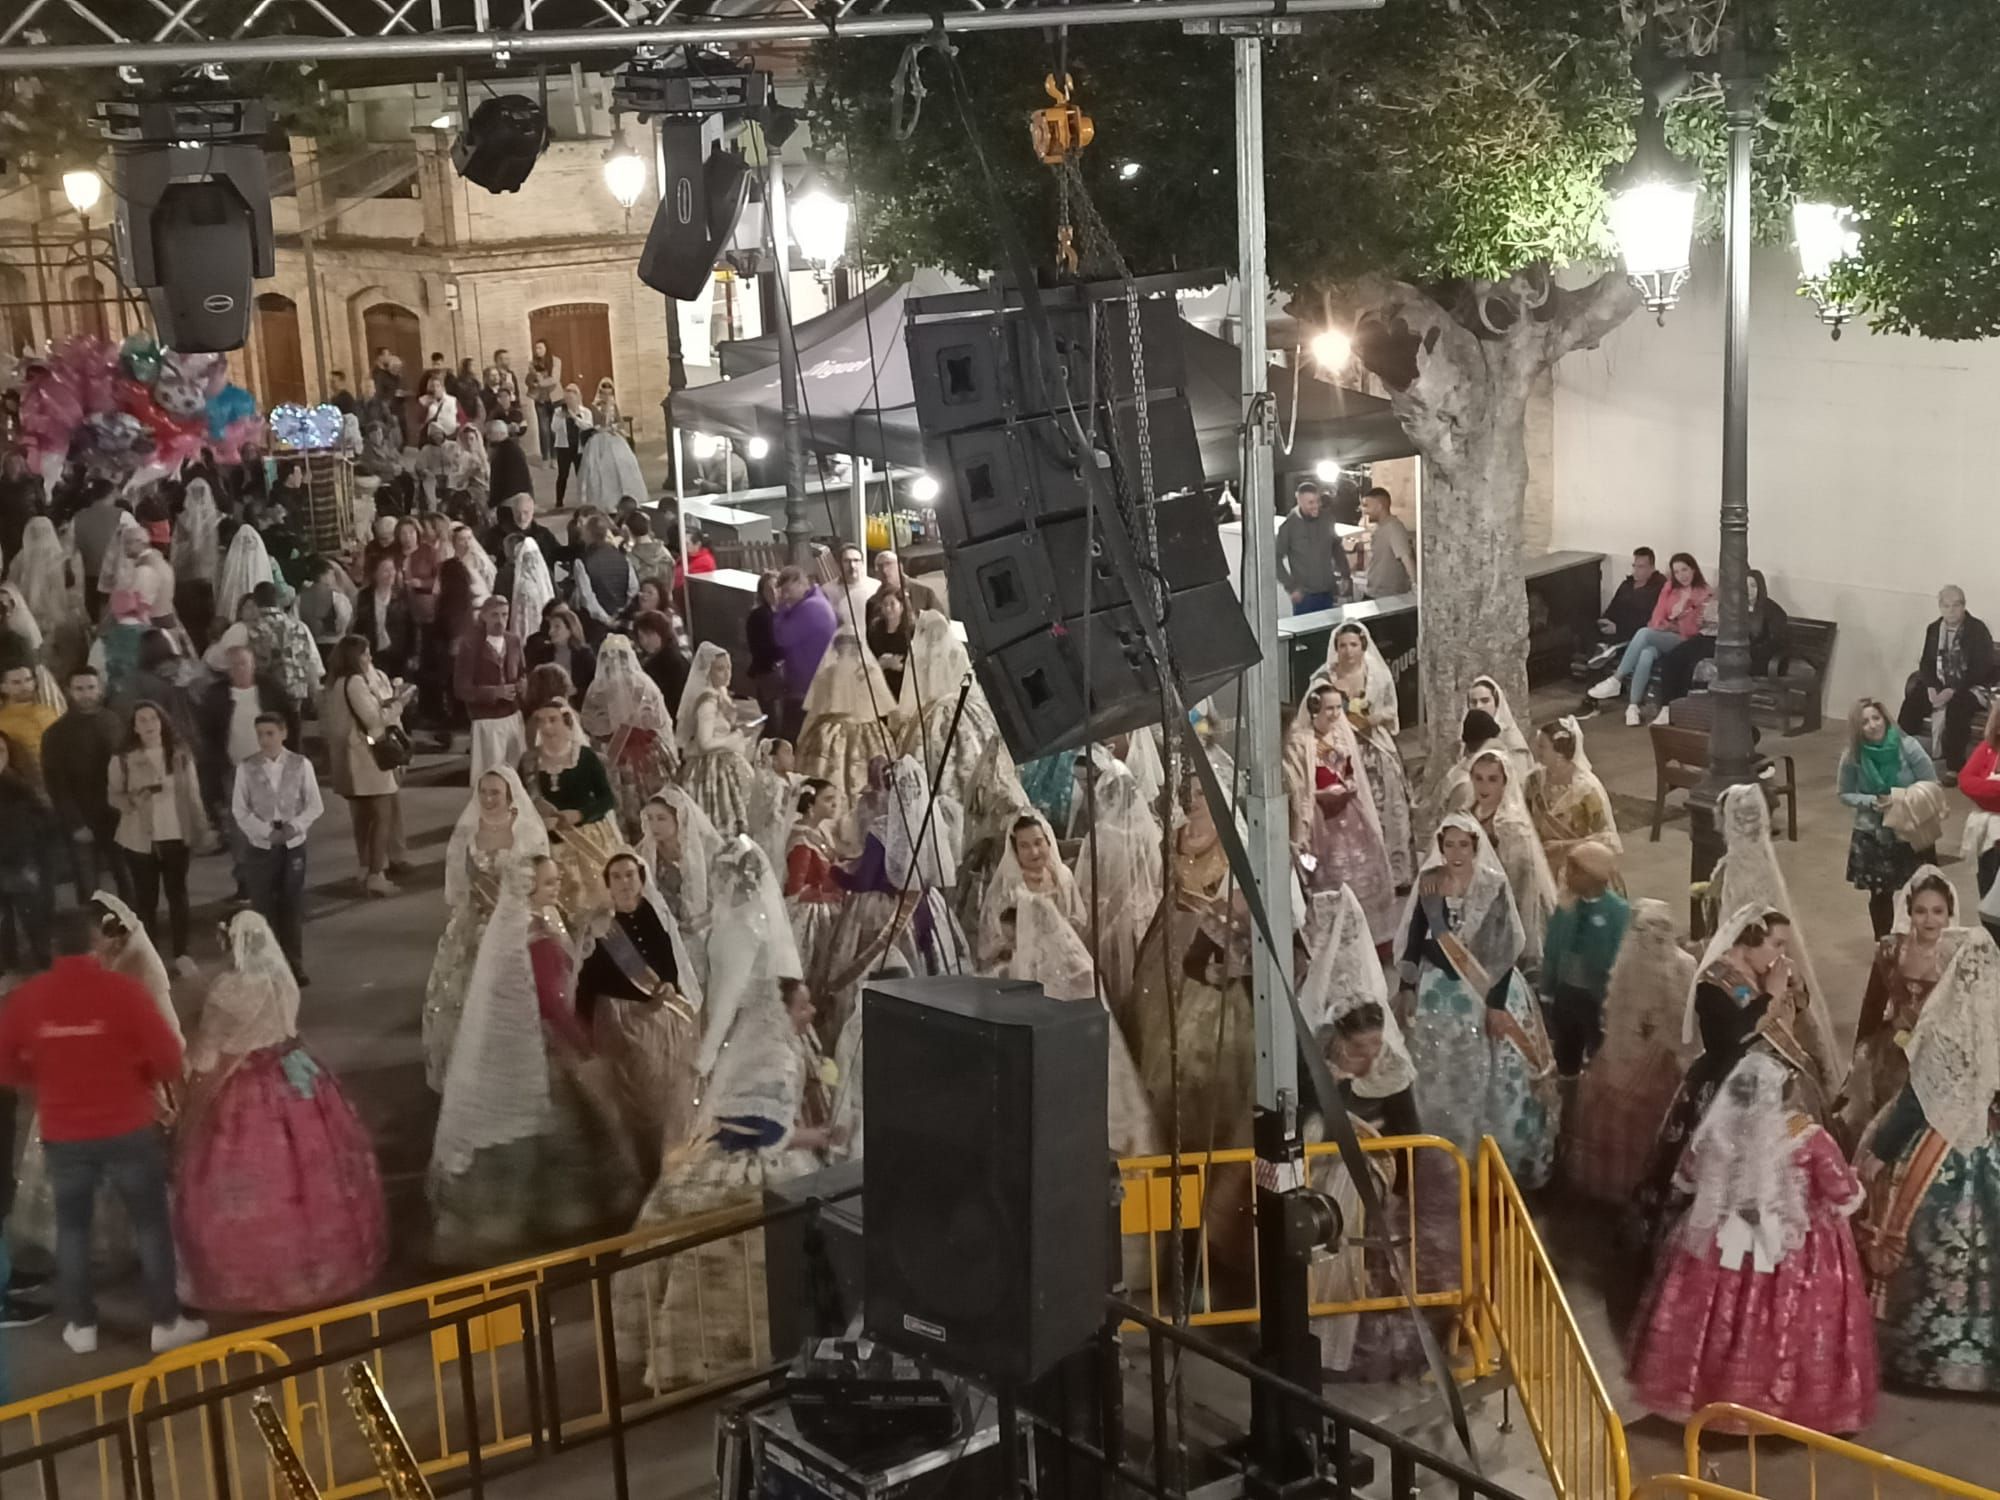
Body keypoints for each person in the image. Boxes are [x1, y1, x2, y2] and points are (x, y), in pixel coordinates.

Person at [613, 845, 826, 1394]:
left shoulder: (740, 941)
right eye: (807, 1007)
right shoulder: (775, 1043)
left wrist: (705, 1065)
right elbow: (766, 1128)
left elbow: (727, 1004)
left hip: (733, 1103)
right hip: (753, 1115)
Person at [1627, 1052, 1876, 1434]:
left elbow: (1689, 1180)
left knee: (1719, 1323)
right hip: (1793, 1251)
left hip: (1720, 1244)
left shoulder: (1717, 1132)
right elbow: (1843, 1194)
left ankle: (1710, 1399)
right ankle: (1779, 1407)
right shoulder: (1808, 1137)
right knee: (1788, 1326)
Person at [0, 910, 206, 1356]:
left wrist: (43, 1079)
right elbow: (169, 1056)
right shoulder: (123, 992)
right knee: (150, 1225)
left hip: (63, 1130)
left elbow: (7, 1064)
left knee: (72, 1229)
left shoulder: (27, 1000)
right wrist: (142, 1079)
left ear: (51, 950)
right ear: (96, 946)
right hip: (126, 1125)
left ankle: (81, 1325)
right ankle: (165, 1321)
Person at [171, 910, 385, 1312]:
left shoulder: (230, 989)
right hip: (296, 1071)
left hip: (246, 1086)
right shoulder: (280, 978)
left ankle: (253, 1276)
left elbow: (206, 1053)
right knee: (314, 1172)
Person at [430, 854, 637, 1264]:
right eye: (547, 884)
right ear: (528, 891)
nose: (555, 889)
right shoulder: (536, 938)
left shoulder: (507, 930)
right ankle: (562, 1217)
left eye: (555, 881)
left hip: (504, 1058)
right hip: (544, 1053)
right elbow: (555, 1002)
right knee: (566, 1133)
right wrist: (585, 1046)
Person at [1853, 928, 2000, 1393]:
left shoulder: (1942, 1026)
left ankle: (1930, 1353)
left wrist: (1881, 1151)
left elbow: (1917, 1100)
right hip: (1987, 1145)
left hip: (1940, 1151)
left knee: (1913, 1224)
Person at [1396, 815, 1559, 1187]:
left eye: (1463, 845)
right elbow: (1419, 933)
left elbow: (1503, 949)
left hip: (1487, 991)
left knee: (1493, 1076)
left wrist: (1497, 1006)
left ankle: (1491, 1165)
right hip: (1438, 991)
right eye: (1448, 845)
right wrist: (1407, 987)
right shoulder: (1431, 882)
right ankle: (1443, 1159)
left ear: (1475, 847)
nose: (1455, 853)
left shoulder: (1492, 886)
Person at [1631, 903, 1795, 1255]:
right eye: (1777, 944)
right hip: (1726, 1088)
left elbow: (1797, 1009)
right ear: (1750, 939)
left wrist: (1782, 988)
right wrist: (1772, 995)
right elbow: (1733, 1037)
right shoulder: (1713, 983)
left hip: (1763, 1079)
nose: (1783, 955)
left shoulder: (1762, 971)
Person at [424, 768, 550, 1091]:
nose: (489, 799)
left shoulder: (528, 831)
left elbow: (540, 879)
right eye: (484, 792)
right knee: (463, 992)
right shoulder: (468, 831)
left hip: (515, 922)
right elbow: (457, 882)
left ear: (510, 796)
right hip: (475, 922)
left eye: (496, 792)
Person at [577, 851, 703, 1171]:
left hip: (659, 1014)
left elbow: (668, 959)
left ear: (641, 880)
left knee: (674, 1085)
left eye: (630, 875)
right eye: (616, 877)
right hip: (620, 1019)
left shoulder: (652, 913)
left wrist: (670, 985)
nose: (624, 883)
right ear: (607, 884)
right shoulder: (601, 927)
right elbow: (586, 984)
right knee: (638, 1095)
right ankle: (641, 1159)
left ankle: (672, 1154)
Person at [1565, 898, 1694, 1205]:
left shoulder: (1676, 965)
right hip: (1633, 1055)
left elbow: (1687, 1016)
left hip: (1655, 1058)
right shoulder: (1632, 964)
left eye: (1661, 929)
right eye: (1647, 930)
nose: (1654, 937)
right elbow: (1618, 1012)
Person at [1834, 866, 1961, 1147]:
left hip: (1939, 1050)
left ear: (1949, 914)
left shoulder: (1961, 956)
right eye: (1921, 911)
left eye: (1937, 911)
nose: (1929, 920)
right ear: (1909, 913)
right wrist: (1856, 1062)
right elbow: (1871, 1009)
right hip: (1893, 1048)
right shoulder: (1890, 950)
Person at [1285, 684, 1397, 944]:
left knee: (1363, 871)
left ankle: (1366, 936)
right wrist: (1322, 795)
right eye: (1329, 708)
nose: (1335, 714)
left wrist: (1349, 785)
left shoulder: (1340, 738)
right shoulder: (1303, 743)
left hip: (1349, 814)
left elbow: (1348, 772)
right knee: (1320, 871)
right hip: (1318, 821)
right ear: (1315, 710)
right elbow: (1300, 788)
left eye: (1338, 708)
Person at [109, 702, 210, 976]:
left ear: (163, 721)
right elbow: (114, 795)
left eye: (153, 718)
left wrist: (201, 828)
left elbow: (194, 794)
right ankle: (149, 956)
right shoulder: (122, 759)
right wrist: (134, 799)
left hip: (176, 834)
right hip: (139, 839)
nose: (149, 724)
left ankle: (182, 952)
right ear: (134, 727)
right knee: (146, 899)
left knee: (178, 894)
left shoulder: (179, 754)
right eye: (142, 720)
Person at [1314, 621, 1416, 889]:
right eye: (1342, 645)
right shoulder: (1323, 679)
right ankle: (1357, 878)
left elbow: (1391, 713)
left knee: (1388, 811)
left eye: (1353, 645)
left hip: (1377, 752)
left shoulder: (1378, 676)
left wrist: (1370, 718)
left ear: (1363, 646)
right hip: (1340, 757)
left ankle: (1396, 874)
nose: (1348, 651)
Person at [1838, 696, 1941, 938]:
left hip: (1911, 829)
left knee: (1923, 889)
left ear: (1885, 719)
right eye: (1865, 722)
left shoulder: (1909, 747)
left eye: (1876, 718)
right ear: (1857, 728)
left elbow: (1931, 783)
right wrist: (1871, 802)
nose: (1873, 725)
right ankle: (1884, 942)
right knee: (1880, 893)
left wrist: (1900, 799)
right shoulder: (1852, 756)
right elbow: (1844, 794)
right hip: (1874, 833)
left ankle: (1923, 939)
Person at [1072, 747, 1164, 1017]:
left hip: (1109, 924)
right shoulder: (1150, 831)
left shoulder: (1099, 838)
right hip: (1144, 918)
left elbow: (1085, 889)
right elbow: (1156, 875)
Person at [230, 712, 322, 981]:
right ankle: (267, 965)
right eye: (260, 735)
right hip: (261, 845)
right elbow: (240, 809)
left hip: (293, 842)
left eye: (270, 734)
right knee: (263, 905)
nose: (265, 740)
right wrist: (263, 832)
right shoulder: (246, 768)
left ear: (283, 734)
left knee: (291, 904)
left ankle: (294, 963)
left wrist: (296, 826)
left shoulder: (300, 764)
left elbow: (314, 804)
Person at [521, 700, 626, 925]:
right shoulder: (530, 761)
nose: (547, 727)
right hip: (545, 840)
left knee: (593, 905)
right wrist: (538, 818)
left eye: (553, 720)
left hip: (586, 837)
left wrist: (579, 815)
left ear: (567, 723)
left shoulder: (585, 758)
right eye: (541, 721)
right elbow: (521, 802)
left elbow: (607, 799)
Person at [321, 635, 408, 899]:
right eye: (365, 654)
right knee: (382, 814)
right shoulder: (356, 683)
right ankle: (376, 875)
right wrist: (399, 704)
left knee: (362, 817)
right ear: (354, 657)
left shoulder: (334, 685)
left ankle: (364, 867)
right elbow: (373, 721)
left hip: (346, 757)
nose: (370, 658)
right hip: (365, 758)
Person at [1537, 841, 1629, 1081]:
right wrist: (1546, 990)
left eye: (1574, 871)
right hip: (1566, 995)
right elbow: (1552, 949)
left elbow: (1620, 957)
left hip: (1597, 999)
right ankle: (1567, 1091)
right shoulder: (1566, 907)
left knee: (1599, 1057)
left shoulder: (1618, 912)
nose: (1567, 876)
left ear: (1593, 876)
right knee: (1566, 1053)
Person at [1461, 749, 1558, 974]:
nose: (1484, 786)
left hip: (1502, 907)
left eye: (1492, 780)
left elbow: (1520, 883)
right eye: (1478, 778)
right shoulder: (1468, 813)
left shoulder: (1511, 826)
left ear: (1505, 783)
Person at [1586, 552, 1711, 724]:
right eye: (1677, 572)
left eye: (1685, 570)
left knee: (1643, 633)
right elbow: (1657, 615)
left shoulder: (1703, 593)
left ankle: (1616, 679)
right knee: (1646, 653)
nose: (1681, 575)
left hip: (1685, 640)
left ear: (1694, 570)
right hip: (1663, 635)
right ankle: (1633, 708)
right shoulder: (1669, 589)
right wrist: (1661, 625)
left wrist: (1672, 626)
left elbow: (1695, 629)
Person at [44, 667, 130, 903]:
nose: (86, 694)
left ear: (100, 688)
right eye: (79, 689)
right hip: (83, 817)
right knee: (89, 887)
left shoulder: (114, 722)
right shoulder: (56, 733)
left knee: (128, 878)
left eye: (91, 687)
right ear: (69, 691)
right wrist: (75, 823)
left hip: (118, 815)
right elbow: (56, 783)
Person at [1654, 568, 1789, 718]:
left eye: (1753, 586)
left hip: (1754, 658)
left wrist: (1747, 651)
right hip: (1725, 647)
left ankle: (1685, 710)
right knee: (1674, 659)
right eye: (1745, 586)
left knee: (1695, 665)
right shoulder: (1734, 607)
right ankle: (1668, 707)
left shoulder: (1771, 611)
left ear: (1761, 587)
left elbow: (1776, 642)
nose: (1749, 591)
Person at [796, 624, 902, 811]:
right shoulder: (868, 672)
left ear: (836, 650)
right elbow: (890, 710)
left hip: (830, 734)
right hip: (869, 734)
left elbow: (814, 712)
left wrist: (802, 738)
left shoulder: (828, 673)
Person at [1897, 585, 1996, 777]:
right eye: (1946, 605)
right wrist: (1932, 686)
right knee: (1914, 698)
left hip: (1972, 685)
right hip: (1940, 684)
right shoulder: (1934, 629)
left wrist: (1952, 690)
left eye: (1956, 605)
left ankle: (1954, 766)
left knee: (1958, 707)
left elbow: (1982, 668)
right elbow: (1926, 662)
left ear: (1964, 606)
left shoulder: (1977, 630)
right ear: (1940, 607)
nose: (1951, 610)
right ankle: (1900, 753)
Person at [582, 632, 678, 830]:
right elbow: (659, 719)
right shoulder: (642, 682)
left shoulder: (598, 687)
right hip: (634, 750)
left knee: (630, 800)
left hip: (622, 751)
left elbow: (589, 723)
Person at [1525, 717, 1622, 886]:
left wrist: (1563, 847)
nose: (1536, 750)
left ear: (1560, 753)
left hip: (1580, 867)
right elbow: (1525, 817)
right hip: (1542, 866)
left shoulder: (1586, 789)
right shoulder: (1533, 780)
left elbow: (1606, 839)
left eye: (1542, 746)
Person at [677, 642, 757, 836]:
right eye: (720, 669)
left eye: (729, 667)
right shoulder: (708, 702)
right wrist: (737, 736)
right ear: (707, 672)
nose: (727, 673)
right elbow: (704, 743)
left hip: (724, 761)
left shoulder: (719, 694)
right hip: (712, 768)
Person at [784, 779, 847, 1000]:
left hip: (827, 907)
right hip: (810, 915)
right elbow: (795, 891)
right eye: (827, 799)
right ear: (810, 805)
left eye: (835, 799)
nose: (834, 804)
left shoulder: (816, 832)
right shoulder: (802, 839)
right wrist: (827, 894)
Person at [0, 735, 55, 975]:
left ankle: (45, 967)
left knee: (33, 918)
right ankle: (7, 968)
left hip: (21, 860)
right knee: (2, 925)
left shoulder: (19, 783)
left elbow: (44, 815)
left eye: (1, 750)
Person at [457, 595, 527, 782]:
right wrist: (495, 692)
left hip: (513, 716)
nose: (500, 621)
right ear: (484, 616)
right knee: (490, 775)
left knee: (517, 774)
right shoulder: (470, 644)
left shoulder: (514, 641)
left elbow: (522, 672)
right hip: (486, 721)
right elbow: (462, 689)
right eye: (495, 615)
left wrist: (522, 684)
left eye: (504, 615)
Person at [772, 566, 839, 740]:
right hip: (810, 683)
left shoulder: (811, 607)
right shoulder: (816, 600)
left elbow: (782, 637)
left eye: (787, 591)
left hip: (806, 687)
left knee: (793, 737)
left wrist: (781, 610)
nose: (785, 596)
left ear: (801, 584)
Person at [1275, 479, 1352, 612]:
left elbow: (1336, 547)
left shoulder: (1327, 518)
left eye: (1318, 501)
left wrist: (1345, 574)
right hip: (1305, 597)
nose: (1316, 506)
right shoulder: (1288, 527)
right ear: (1299, 500)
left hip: (1329, 592)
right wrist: (1291, 587)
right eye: (1310, 502)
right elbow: (1275, 559)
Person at [1959, 698, 2000, 941]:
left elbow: (1978, 787)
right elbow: (1966, 781)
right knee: (1988, 902)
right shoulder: (1988, 749)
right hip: (1987, 842)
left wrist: (1986, 794)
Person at [579, 380, 646, 510]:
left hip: (614, 438)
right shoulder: (594, 406)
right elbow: (600, 423)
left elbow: (620, 422)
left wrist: (615, 426)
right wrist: (606, 413)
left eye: (609, 393)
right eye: (604, 393)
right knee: (601, 470)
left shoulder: (613, 405)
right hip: (599, 440)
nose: (607, 396)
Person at [0, 661, 60, 795]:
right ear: (3, 687)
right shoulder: (2, 722)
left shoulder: (49, 713)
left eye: (28, 680)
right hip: (26, 792)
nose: (25, 686)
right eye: (16, 683)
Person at [1593, 546, 1665, 655]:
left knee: (1601, 646)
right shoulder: (1627, 584)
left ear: (1652, 568)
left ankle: (1603, 651)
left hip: (1632, 633)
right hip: (1613, 628)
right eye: (1634, 566)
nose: (1635, 570)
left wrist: (1618, 628)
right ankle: (1600, 651)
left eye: (1641, 567)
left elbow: (1649, 619)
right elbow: (1613, 607)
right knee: (1585, 627)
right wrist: (1605, 620)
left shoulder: (1658, 587)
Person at [1358, 486, 1415, 599]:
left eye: (1366, 505)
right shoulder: (1378, 528)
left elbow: (1406, 558)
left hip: (1387, 597)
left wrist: (1416, 586)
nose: (1363, 510)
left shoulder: (1394, 527)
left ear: (1379, 506)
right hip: (1373, 592)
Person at [865, 589, 916, 704]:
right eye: (885, 604)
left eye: (892, 604)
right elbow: (868, 660)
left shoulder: (912, 631)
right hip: (881, 687)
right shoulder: (875, 630)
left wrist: (900, 667)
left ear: (902, 606)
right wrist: (882, 664)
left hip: (905, 688)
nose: (888, 608)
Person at [549, 384, 593, 505]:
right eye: (567, 398)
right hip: (564, 447)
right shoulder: (559, 412)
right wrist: (561, 418)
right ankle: (559, 501)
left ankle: (584, 499)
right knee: (563, 475)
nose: (569, 401)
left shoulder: (586, 412)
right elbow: (553, 428)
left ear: (577, 398)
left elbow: (588, 426)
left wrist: (574, 417)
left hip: (580, 448)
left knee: (581, 474)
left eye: (571, 398)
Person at [873, 550, 941, 616]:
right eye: (880, 566)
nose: (884, 570)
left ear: (900, 566)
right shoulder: (874, 601)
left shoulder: (924, 592)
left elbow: (942, 623)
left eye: (888, 564)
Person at [526, 341, 563, 459]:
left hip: (555, 398)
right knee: (543, 429)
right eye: (536, 348)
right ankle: (546, 457)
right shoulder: (532, 364)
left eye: (540, 348)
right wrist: (532, 382)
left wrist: (540, 383)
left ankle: (555, 457)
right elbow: (529, 379)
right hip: (540, 400)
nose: (538, 350)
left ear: (546, 348)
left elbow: (555, 379)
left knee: (555, 429)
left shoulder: (556, 361)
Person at [829, 542, 879, 627]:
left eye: (856, 560)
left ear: (862, 563)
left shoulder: (876, 588)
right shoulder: (827, 591)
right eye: (846, 561)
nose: (852, 565)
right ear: (838, 564)